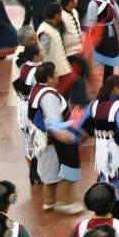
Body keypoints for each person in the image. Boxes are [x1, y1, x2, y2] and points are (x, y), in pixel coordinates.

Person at [75, 75, 119, 231]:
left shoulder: (94, 105)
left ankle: (117, 225)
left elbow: (81, 128)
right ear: (116, 89)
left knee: (112, 192)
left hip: (102, 158)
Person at [27, 62, 85, 214]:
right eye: (55, 74)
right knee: (67, 168)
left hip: (41, 138)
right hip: (54, 140)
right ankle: (64, 202)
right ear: (49, 78)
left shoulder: (37, 89)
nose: (58, 76)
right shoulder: (49, 97)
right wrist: (66, 134)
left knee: (48, 170)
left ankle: (49, 201)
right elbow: (53, 122)